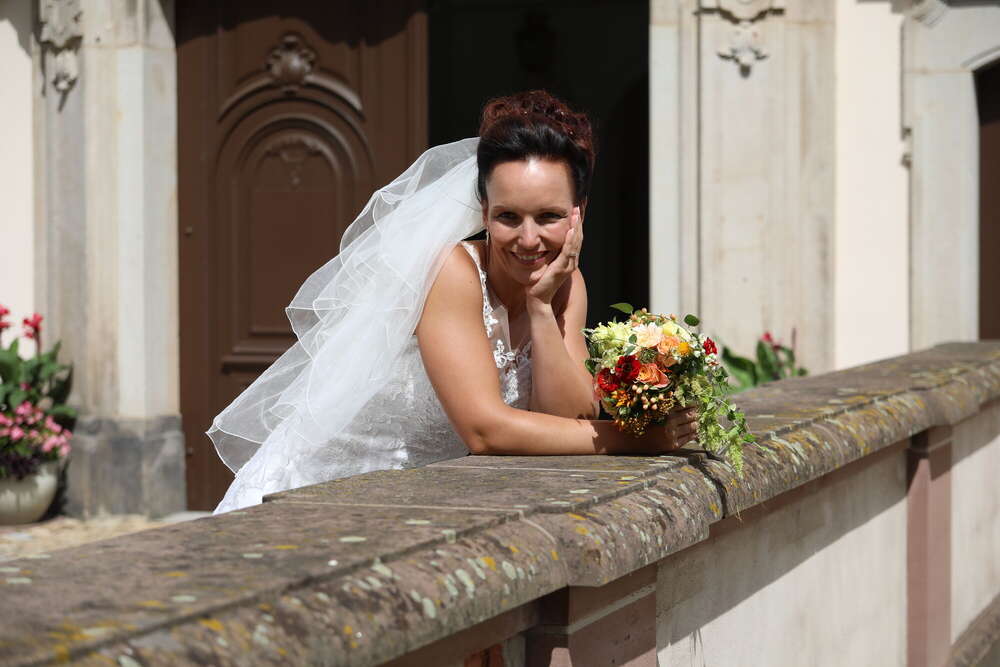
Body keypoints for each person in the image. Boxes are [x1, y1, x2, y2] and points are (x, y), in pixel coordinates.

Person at [210, 90, 698, 514]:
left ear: (579, 214)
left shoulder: (566, 283)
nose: (528, 240)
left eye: (548, 217)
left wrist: (541, 308)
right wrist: (636, 439)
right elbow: (484, 432)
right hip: (326, 490)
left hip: (417, 499)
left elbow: (567, 419)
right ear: (483, 211)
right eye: (508, 217)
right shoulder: (451, 272)